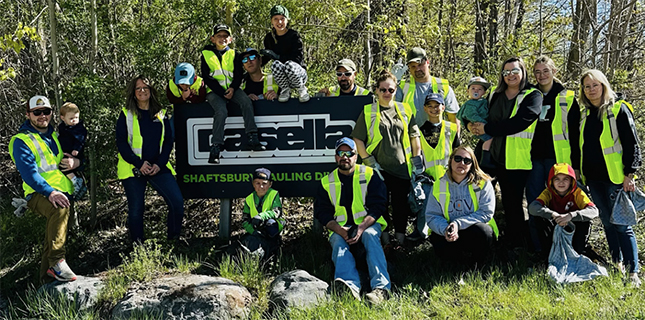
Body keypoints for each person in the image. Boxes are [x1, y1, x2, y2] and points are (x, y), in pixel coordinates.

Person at [573, 69, 641, 286]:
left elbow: (632, 143)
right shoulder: (584, 114)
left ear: (604, 85)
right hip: (593, 178)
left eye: (595, 85)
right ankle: (617, 263)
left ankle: (633, 272)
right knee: (607, 223)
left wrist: (630, 174)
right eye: (587, 86)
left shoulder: (618, 109)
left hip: (616, 178)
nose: (591, 90)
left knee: (622, 224)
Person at [468, 57, 542, 249]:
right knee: (481, 199)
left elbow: (519, 122)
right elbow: (480, 114)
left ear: (523, 72)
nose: (511, 75)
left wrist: (488, 129)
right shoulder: (495, 94)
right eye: (506, 72)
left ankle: (517, 245)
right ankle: (485, 242)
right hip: (489, 156)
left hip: (516, 160)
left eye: (515, 71)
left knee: (512, 204)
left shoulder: (533, 95)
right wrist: (471, 124)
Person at [9, 95, 78, 282]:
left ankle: (45, 285)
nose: (42, 116)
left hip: (62, 191)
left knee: (52, 237)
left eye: (46, 112)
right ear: (28, 114)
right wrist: (51, 192)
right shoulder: (21, 140)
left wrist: (76, 161)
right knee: (60, 209)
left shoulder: (54, 136)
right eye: (37, 112)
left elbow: (66, 159)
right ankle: (57, 262)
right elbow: (29, 174)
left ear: (52, 113)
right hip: (38, 193)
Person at [314, 137, 390, 304]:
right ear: (335, 157)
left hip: (368, 225)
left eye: (350, 153)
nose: (345, 156)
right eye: (341, 153)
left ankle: (381, 289)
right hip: (341, 228)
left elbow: (379, 206)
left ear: (356, 156)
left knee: (370, 236)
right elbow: (322, 212)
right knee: (336, 240)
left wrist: (361, 228)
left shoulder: (370, 175)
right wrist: (340, 230)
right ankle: (349, 287)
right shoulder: (326, 181)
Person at [352, 70, 424, 246]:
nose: (386, 93)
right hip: (379, 169)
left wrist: (417, 160)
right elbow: (357, 139)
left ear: (395, 90)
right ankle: (384, 241)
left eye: (390, 90)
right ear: (376, 90)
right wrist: (369, 160)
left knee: (401, 205)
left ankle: (400, 240)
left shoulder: (404, 109)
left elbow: (414, 136)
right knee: (380, 205)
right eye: (382, 89)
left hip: (402, 168)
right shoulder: (369, 111)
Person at [116, 75, 184, 243]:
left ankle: (173, 242)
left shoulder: (161, 114)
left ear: (151, 90)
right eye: (138, 88)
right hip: (133, 167)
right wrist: (139, 164)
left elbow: (169, 141)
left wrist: (159, 164)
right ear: (133, 92)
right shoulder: (126, 113)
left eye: (145, 88)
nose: (142, 91)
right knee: (136, 210)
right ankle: (138, 249)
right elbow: (122, 143)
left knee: (177, 202)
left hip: (158, 167)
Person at [201, 23, 265, 164]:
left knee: (246, 102)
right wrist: (221, 92)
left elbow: (238, 75)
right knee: (221, 111)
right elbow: (207, 77)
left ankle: (252, 137)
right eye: (219, 36)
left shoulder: (234, 54)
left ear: (230, 39)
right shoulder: (206, 54)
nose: (222, 38)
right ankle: (216, 148)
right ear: (213, 39)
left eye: (225, 36)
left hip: (233, 89)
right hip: (214, 91)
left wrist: (233, 88)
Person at [425, 146, 497, 265]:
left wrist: (458, 224)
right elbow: (432, 215)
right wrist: (445, 229)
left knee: (483, 231)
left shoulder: (483, 183)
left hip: (474, 230)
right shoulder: (439, 185)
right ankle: (454, 264)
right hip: (449, 230)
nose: (461, 163)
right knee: (437, 237)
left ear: (472, 164)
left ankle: (478, 265)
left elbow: (486, 212)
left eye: (467, 160)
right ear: (451, 160)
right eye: (457, 158)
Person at [528, 163, 598, 259]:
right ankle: (545, 253)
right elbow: (532, 207)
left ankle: (579, 251)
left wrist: (571, 215)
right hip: (555, 225)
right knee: (537, 218)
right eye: (557, 179)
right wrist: (552, 214)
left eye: (566, 179)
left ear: (571, 181)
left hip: (573, 227)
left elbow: (594, 211)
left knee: (586, 221)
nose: (561, 183)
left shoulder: (577, 193)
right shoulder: (548, 192)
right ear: (551, 181)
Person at [395, 47, 460, 128]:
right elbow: (389, 110)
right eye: (413, 66)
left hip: (436, 138)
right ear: (409, 68)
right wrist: (393, 81)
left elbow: (453, 119)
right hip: (410, 138)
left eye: (420, 65)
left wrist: (455, 139)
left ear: (428, 62)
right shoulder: (402, 87)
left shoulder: (442, 87)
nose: (417, 69)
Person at [261, 5, 310, 103]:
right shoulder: (269, 38)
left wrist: (278, 57)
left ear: (287, 20)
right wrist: (254, 64)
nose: (279, 22)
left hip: (297, 73)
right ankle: (285, 90)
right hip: (283, 76)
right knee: (275, 65)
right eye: (276, 19)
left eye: (282, 19)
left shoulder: (294, 36)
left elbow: (298, 58)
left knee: (288, 64)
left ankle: (302, 89)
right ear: (271, 21)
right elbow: (267, 58)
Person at [240, 168, 285, 259]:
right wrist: (253, 232)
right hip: (256, 227)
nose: (261, 187)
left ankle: (275, 245)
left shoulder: (274, 194)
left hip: (273, 224)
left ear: (270, 184)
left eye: (264, 184)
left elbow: (277, 212)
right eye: (258, 183)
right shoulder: (249, 199)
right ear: (253, 184)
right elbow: (244, 220)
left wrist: (261, 216)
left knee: (271, 224)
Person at [419, 93, 460, 181]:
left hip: (449, 177)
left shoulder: (452, 128)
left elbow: (457, 152)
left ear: (443, 107)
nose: (434, 109)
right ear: (425, 108)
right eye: (430, 106)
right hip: (427, 179)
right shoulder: (420, 131)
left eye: (437, 106)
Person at [456, 76, 493, 167]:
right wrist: (484, 124)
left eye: (480, 89)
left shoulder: (483, 101)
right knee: (489, 139)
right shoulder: (470, 104)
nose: (476, 91)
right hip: (479, 126)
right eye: (473, 88)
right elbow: (471, 116)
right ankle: (485, 159)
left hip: (483, 125)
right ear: (467, 91)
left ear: (484, 92)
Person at [57, 102, 88, 199]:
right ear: (63, 118)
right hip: (65, 151)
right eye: (71, 118)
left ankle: (76, 181)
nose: (75, 120)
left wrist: (76, 149)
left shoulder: (79, 128)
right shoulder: (62, 127)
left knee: (64, 166)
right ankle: (76, 182)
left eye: (76, 118)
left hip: (74, 153)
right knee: (62, 165)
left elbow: (81, 139)